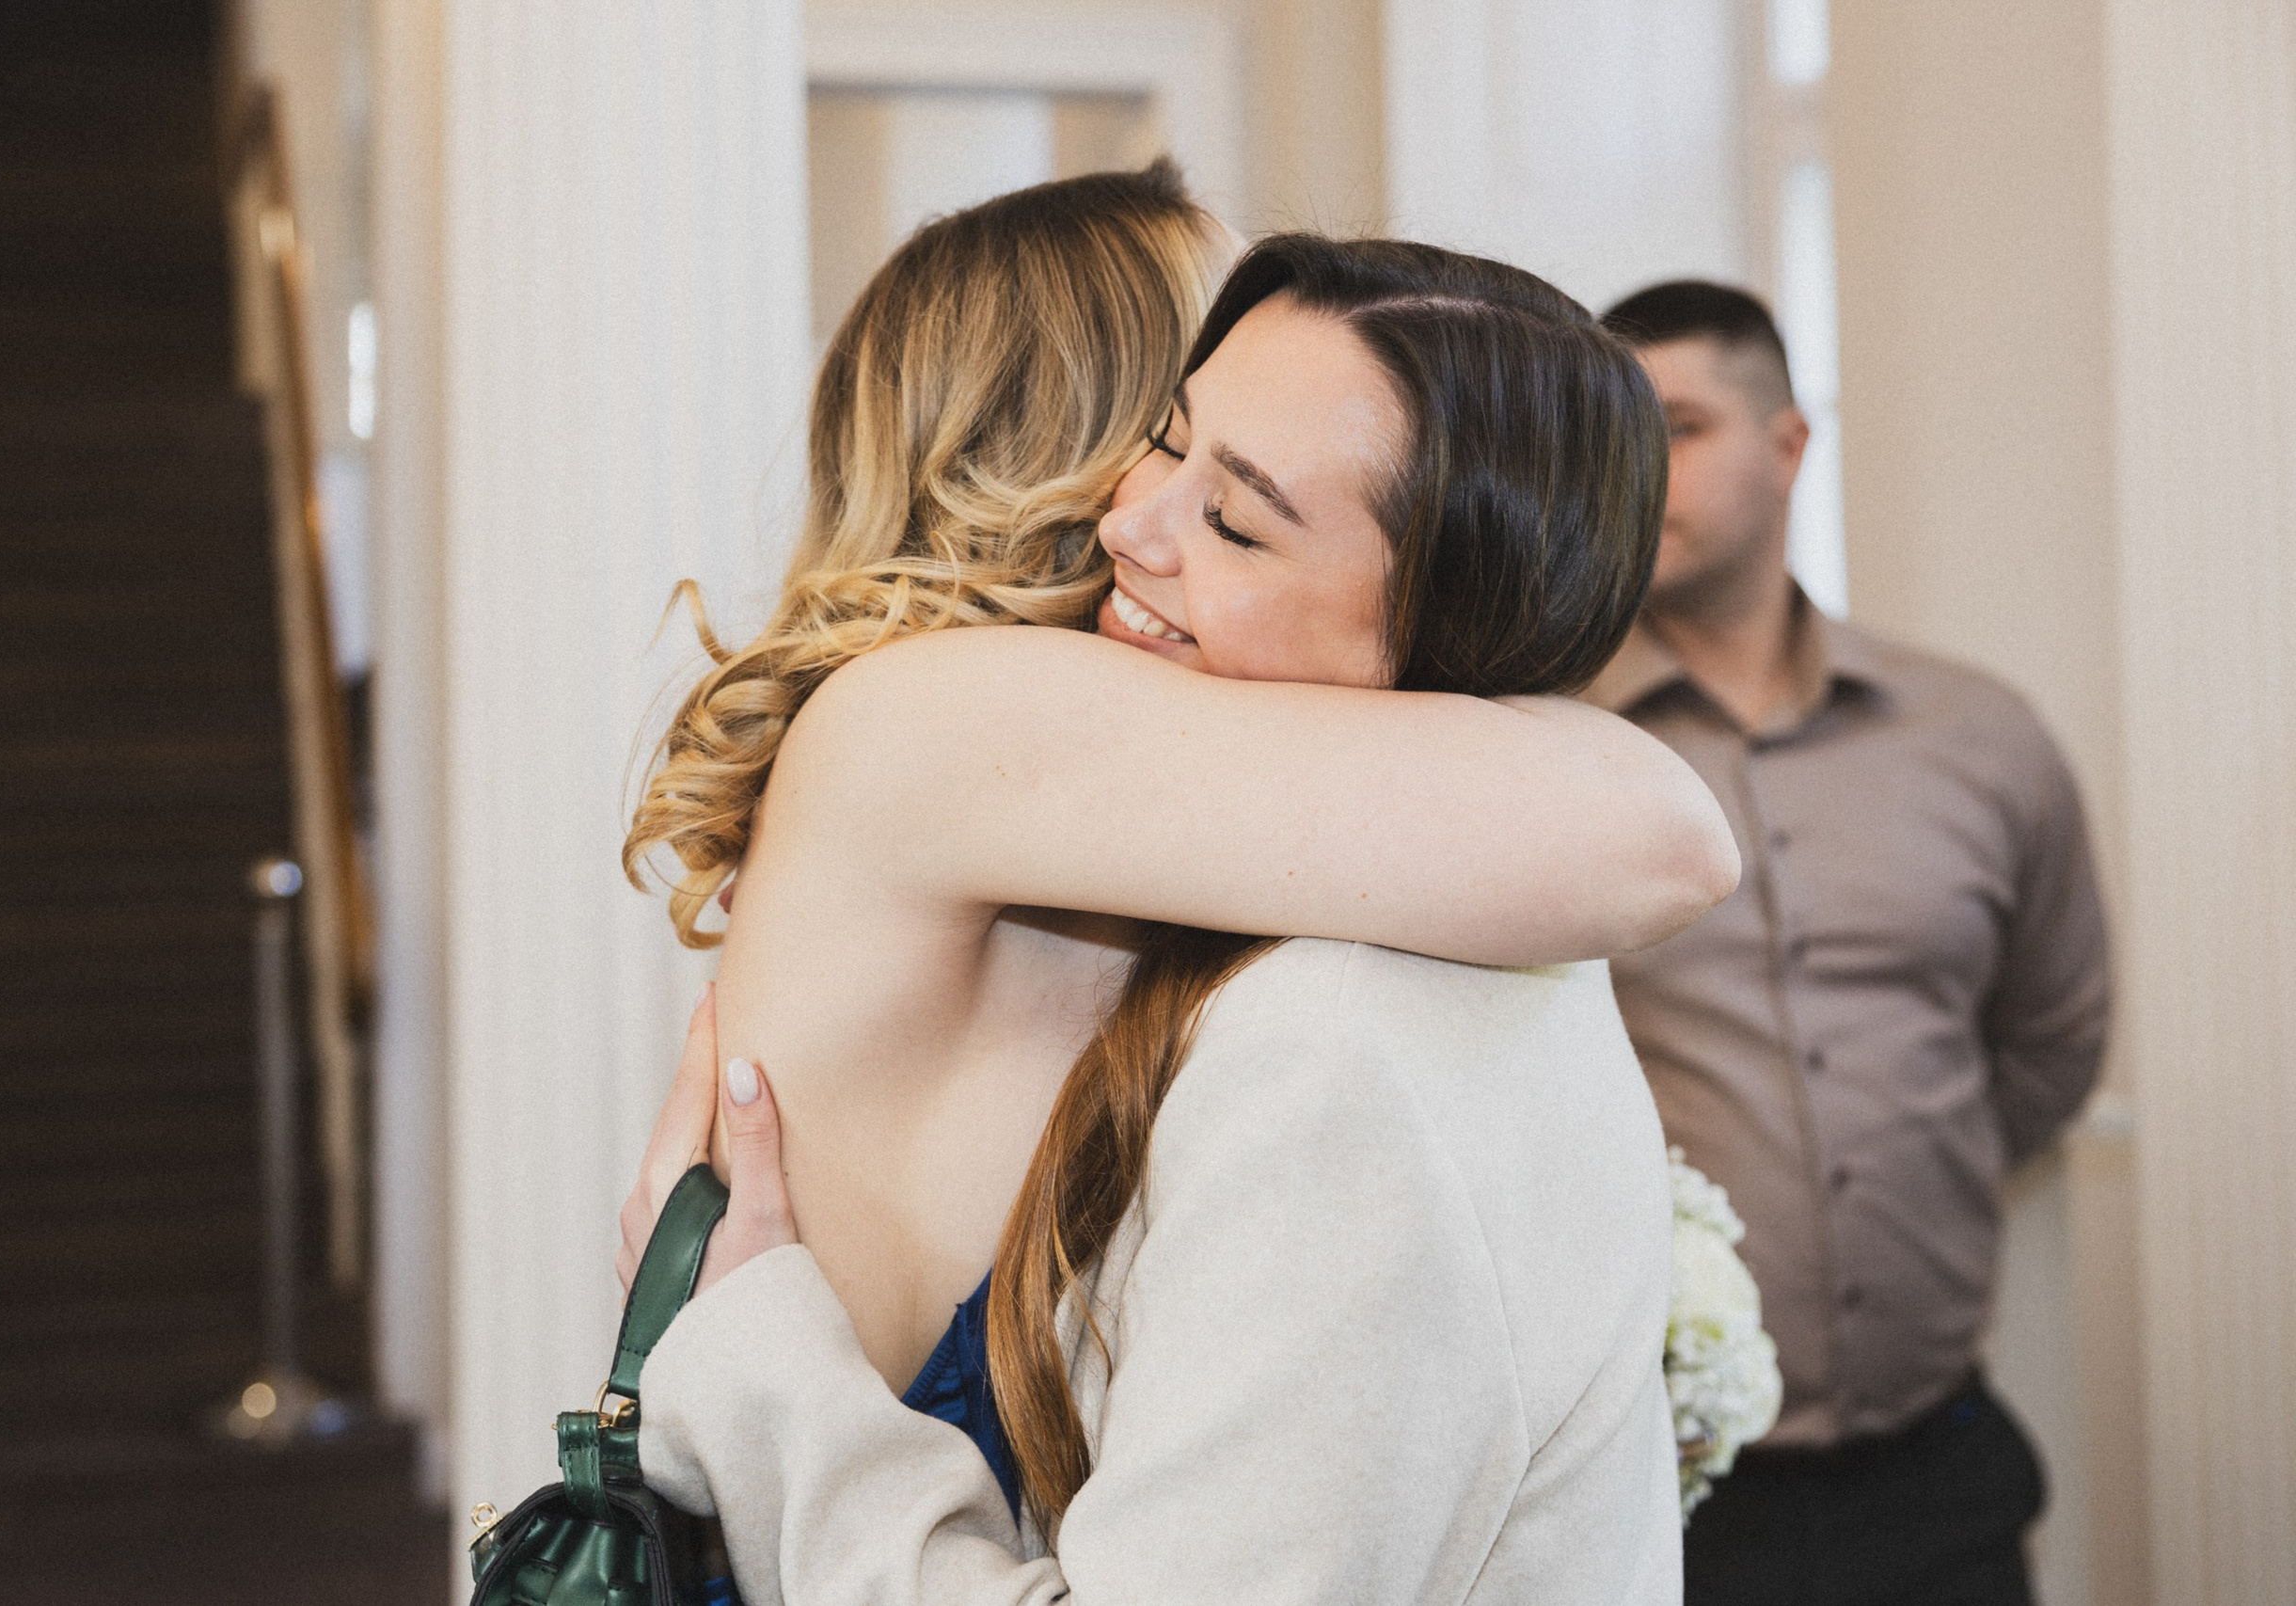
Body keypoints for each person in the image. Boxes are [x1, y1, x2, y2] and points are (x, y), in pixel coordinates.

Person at [613, 182, 1736, 1603]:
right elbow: (1660, 835)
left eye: (1238, 503)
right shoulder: (942, 727)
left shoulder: (1220, 902)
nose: (1139, 518)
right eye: (1165, 432)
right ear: (1071, 434)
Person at [1591, 279, 2109, 1606]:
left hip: (1941, 1471)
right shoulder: (1551, 756)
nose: (1643, 471)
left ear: (1790, 445)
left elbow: (2049, 1046)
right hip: (1655, 1482)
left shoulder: (1976, 736)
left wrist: (1905, 1173)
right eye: (1616, 435)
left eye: (1683, 425)